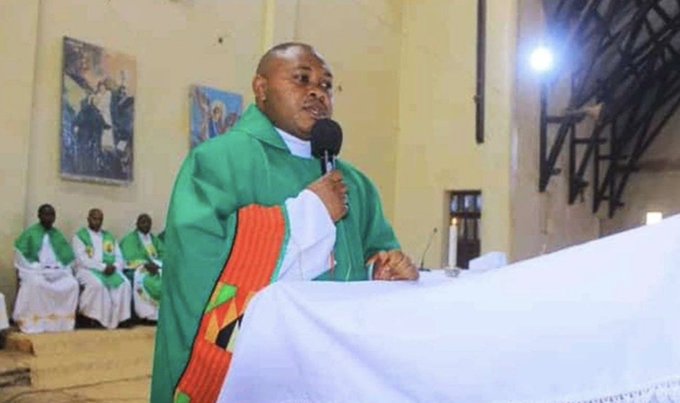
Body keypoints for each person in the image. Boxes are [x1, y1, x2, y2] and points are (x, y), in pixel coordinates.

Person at [151, 42, 418, 402]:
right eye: (301, 79)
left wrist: (380, 272)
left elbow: (373, 253)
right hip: (260, 369)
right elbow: (196, 260)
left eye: (326, 85)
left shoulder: (357, 184)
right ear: (261, 89)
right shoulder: (217, 161)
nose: (317, 92)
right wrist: (308, 214)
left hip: (332, 369)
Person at [12, 204, 80, 333]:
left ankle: (61, 324)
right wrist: (37, 267)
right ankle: (35, 322)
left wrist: (59, 267)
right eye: (46, 214)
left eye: (52, 215)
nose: (49, 217)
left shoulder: (57, 234)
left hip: (55, 271)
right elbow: (20, 256)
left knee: (72, 284)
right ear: (39, 216)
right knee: (36, 284)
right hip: (35, 270)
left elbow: (67, 257)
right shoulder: (30, 233)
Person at [72, 208, 131, 329]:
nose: (97, 222)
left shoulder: (109, 237)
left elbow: (119, 256)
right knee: (98, 285)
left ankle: (120, 318)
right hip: (86, 269)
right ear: (88, 219)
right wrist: (103, 267)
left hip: (109, 269)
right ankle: (92, 318)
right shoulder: (80, 237)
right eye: (94, 219)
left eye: (100, 219)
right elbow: (82, 259)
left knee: (125, 284)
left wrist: (115, 266)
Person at [120, 213, 163, 322]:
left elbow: (164, 254)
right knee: (148, 281)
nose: (146, 225)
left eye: (148, 223)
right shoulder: (130, 239)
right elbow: (128, 258)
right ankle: (147, 314)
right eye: (143, 222)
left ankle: (160, 314)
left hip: (156, 268)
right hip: (140, 269)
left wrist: (157, 264)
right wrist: (146, 264)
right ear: (137, 224)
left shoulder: (154, 240)